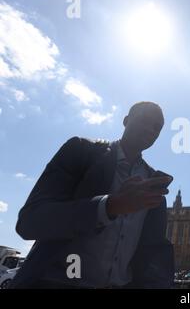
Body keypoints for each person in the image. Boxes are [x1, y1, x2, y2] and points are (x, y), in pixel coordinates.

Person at [10, 101, 175, 289]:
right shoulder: (81, 151)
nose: (150, 130)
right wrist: (108, 206)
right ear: (126, 120)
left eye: (157, 128)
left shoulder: (153, 186)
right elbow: (30, 221)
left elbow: (154, 252)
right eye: (144, 120)